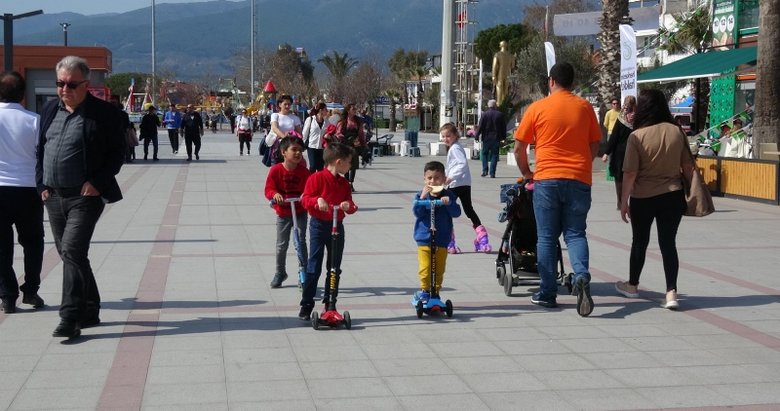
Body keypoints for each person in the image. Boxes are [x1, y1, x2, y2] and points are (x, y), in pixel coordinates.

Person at [36, 56, 126, 337]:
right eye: (60, 83)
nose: (65, 89)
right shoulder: (50, 109)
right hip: (53, 195)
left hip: (85, 196)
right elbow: (40, 150)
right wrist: (41, 185)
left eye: (71, 84)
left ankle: (70, 317)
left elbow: (117, 153)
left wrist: (97, 182)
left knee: (72, 250)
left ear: (85, 85)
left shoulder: (104, 114)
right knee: (70, 254)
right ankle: (90, 307)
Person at [513, 62, 601, 317]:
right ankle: (581, 276)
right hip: (579, 179)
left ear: (551, 81)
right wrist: (582, 164)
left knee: (547, 238)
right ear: (572, 82)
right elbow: (595, 144)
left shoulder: (538, 108)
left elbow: (520, 148)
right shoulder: (585, 108)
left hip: (547, 179)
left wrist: (528, 173)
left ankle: (547, 293)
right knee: (575, 234)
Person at [615, 89, 694, 311]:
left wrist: (623, 202)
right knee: (668, 243)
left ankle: (632, 285)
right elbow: (687, 166)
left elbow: (629, 173)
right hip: (672, 194)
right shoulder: (676, 132)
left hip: (643, 196)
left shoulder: (637, 136)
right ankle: (671, 292)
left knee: (640, 241)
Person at [0, 71, 45, 314]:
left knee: (2, 246)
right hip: (28, 188)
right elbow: (43, 156)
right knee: (33, 242)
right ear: (22, 94)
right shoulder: (34, 120)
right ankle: (31, 290)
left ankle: (7, 296)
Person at [298, 142, 358, 321]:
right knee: (314, 266)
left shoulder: (344, 183)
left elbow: (351, 204)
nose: (350, 166)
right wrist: (317, 200)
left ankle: (330, 303)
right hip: (318, 225)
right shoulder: (316, 178)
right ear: (339, 162)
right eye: (348, 162)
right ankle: (307, 304)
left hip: (336, 226)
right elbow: (305, 199)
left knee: (334, 267)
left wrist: (349, 206)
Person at [265, 136, 311, 289]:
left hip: (300, 211)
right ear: (283, 152)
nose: (298, 153)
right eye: (294, 150)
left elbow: (310, 189)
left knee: (300, 242)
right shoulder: (276, 170)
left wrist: (306, 196)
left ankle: (304, 271)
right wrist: (274, 195)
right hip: (283, 212)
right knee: (281, 244)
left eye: (300, 151)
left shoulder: (304, 172)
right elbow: (269, 189)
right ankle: (280, 272)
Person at [413, 161, 461, 302]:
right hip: (424, 239)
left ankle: (436, 291)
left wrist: (449, 203)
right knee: (425, 268)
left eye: (437, 178)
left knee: (439, 269)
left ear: (444, 179)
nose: (433, 181)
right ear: (424, 179)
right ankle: (425, 290)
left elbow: (457, 213)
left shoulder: (448, 195)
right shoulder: (421, 195)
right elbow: (417, 213)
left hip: (442, 239)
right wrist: (421, 198)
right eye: (430, 178)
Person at [441, 123, 491, 254]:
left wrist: (450, 177)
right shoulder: (455, 147)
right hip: (464, 184)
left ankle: (449, 241)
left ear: (455, 135)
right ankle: (482, 238)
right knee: (469, 210)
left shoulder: (454, 148)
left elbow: (462, 164)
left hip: (456, 184)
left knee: (447, 210)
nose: (446, 138)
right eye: (443, 136)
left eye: (448, 136)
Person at [602, 95, 636, 209]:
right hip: (632, 153)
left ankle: (621, 202)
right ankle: (625, 202)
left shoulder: (621, 118)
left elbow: (614, 137)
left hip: (620, 154)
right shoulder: (638, 119)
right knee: (630, 177)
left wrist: (606, 152)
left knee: (619, 178)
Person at [335, 103, 366, 192]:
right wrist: (345, 139)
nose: (355, 111)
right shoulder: (343, 121)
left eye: (355, 109)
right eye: (353, 109)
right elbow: (338, 133)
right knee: (346, 165)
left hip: (355, 145)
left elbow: (361, 134)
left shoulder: (358, 121)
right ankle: (347, 181)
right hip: (345, 145)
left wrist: (363, 144)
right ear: (348, 111)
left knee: (354, 165)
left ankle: (351, 183)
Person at [475, 99, 507, 178]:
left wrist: (476, 136)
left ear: (488, 106)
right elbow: (503, 127)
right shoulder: (500, 114)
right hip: (496, 138)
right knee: (494, 155)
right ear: (495, 105)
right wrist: (504, 137)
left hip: (486, 138)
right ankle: (492, 173)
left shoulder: (485, 114)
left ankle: (485, 170)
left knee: (485, 154)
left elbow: (480, 126)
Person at [302, 102, 328, 172]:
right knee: (313, 166)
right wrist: (303, 144)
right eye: (326, 109)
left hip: (322, 147)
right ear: (320, 110)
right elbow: (304, 133)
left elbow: (329, 131)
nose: (327, 111)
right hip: (312, 146)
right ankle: (311, 181)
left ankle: (319, 182)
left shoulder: (326, 121)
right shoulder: (310, 119)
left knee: (320, 167)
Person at [492, 40, 513, 105]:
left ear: (500, 46)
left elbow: (494, 66)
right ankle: (505, 105)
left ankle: (499, 104)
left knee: (499, 88)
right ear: (506, 46)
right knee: (506, 90)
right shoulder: (510, 55)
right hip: (508, 74)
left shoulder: (497, 54)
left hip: (500, 74)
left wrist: (493, 76)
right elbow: (512, 66)